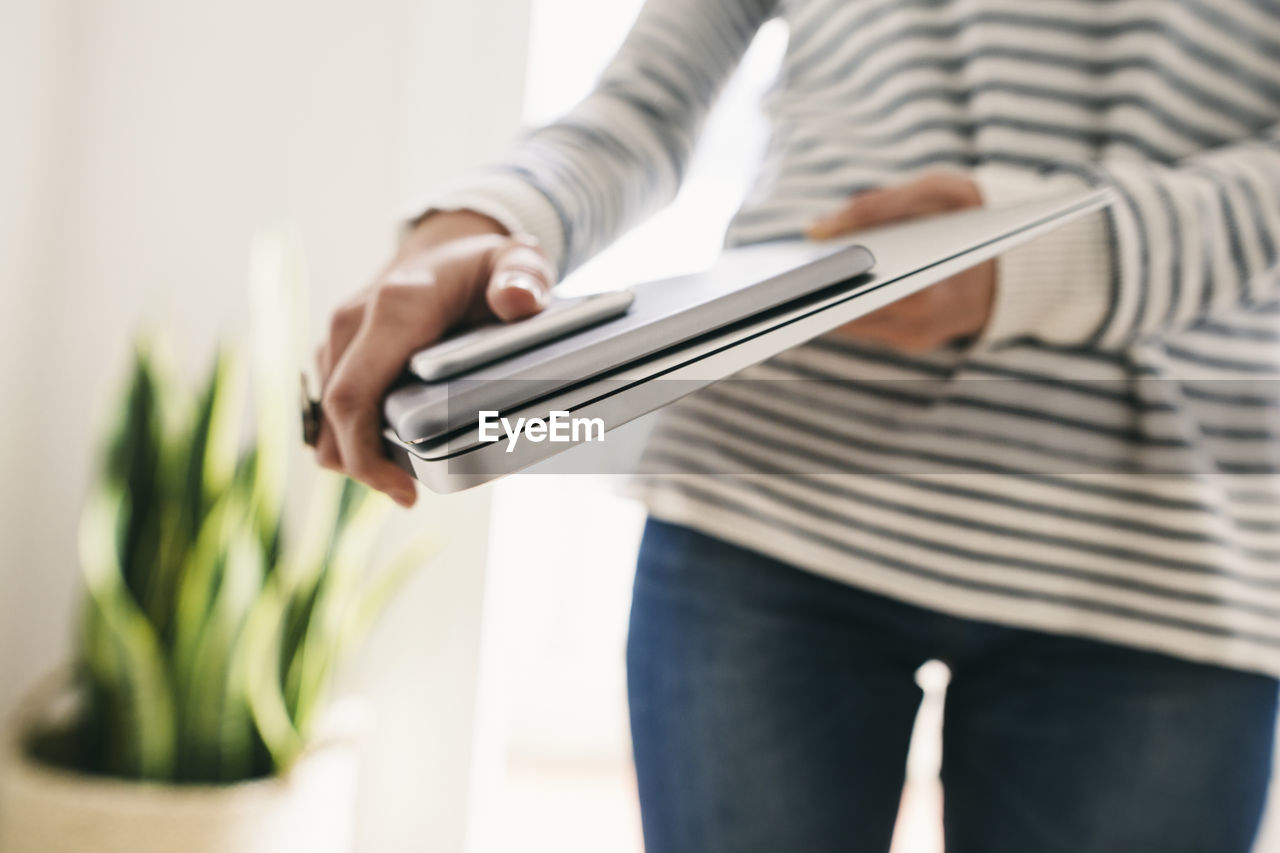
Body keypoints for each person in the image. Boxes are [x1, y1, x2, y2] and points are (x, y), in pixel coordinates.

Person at [314, 2, 1280, 850]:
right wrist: (480, 223)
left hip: (1167, 546)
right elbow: (645, 100)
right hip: (770, 494)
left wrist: (1052, 252)